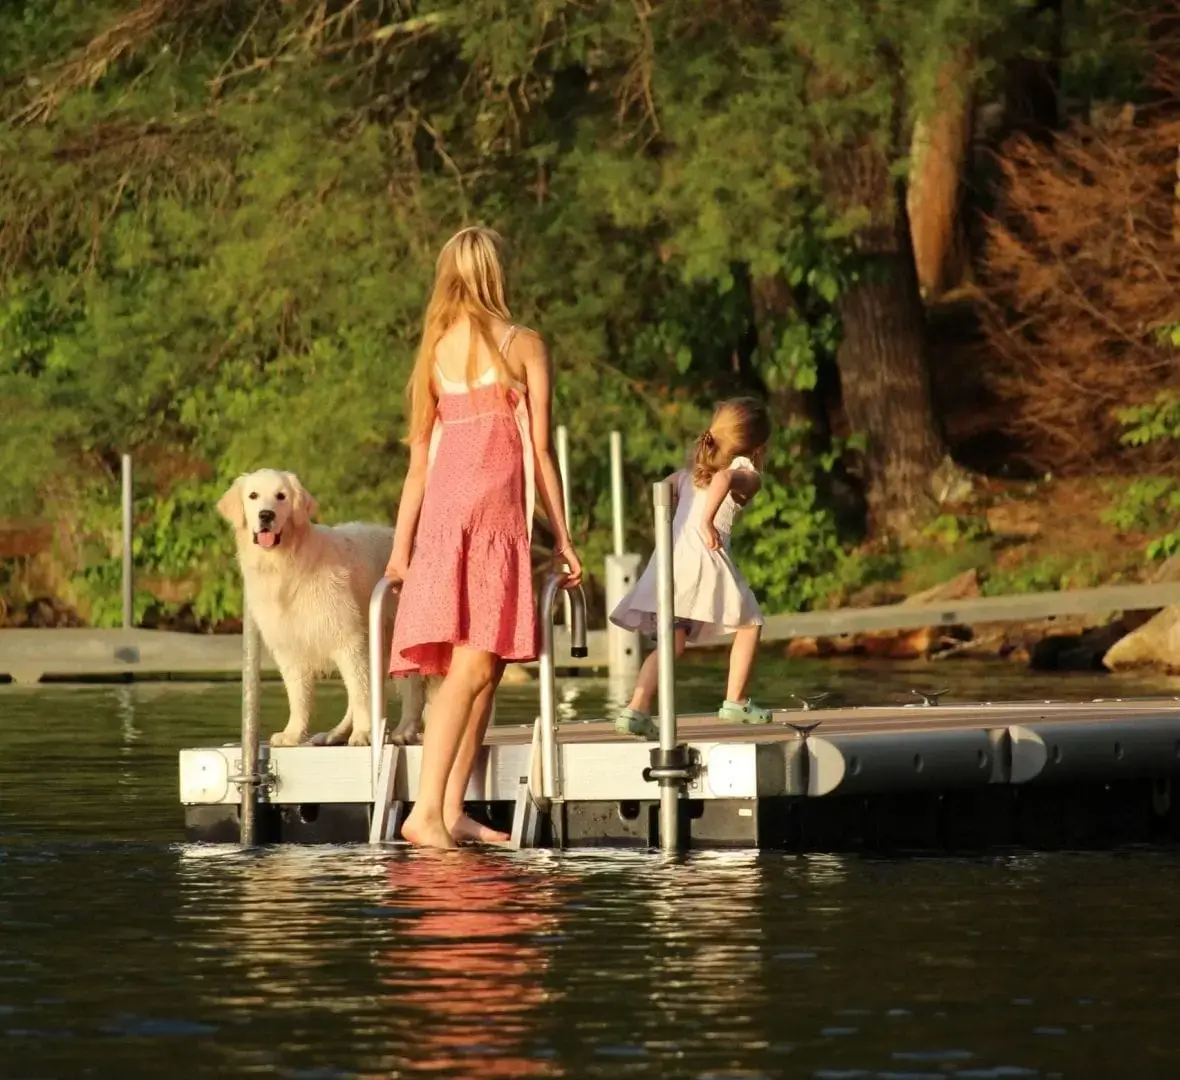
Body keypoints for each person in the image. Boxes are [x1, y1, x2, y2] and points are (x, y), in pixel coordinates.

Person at [385, 226, 582, 850]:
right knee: (470, 668)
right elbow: (541, 452)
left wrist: (402, 547)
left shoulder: (435, 348)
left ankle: (452, 807)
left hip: (450, 521)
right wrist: (568, 539)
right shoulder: (525, 344)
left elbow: (419, 465)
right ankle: (423, 814)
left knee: (485, 669)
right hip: (487, 522)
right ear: (497, 272)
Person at [610, 397, 771, 738]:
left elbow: (662, 490)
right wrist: (707, 522)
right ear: (759, 446)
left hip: (671, 563)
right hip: (704, 558)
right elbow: (724, 478)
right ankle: (736, 700)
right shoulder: (748, 474)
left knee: (672, 643)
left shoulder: (688, 475)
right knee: (750, 623)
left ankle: (636, 709)